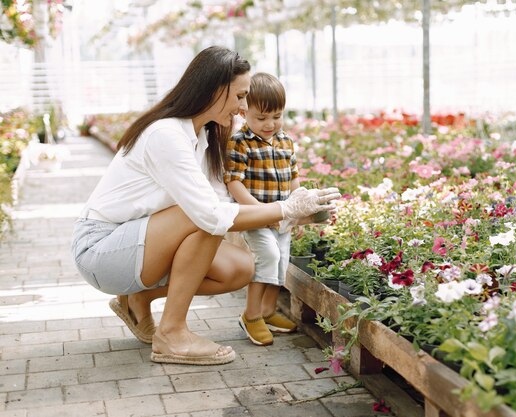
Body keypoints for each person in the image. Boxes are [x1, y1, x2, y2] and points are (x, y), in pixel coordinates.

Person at [70, 46, 340, 366]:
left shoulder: (206, 137)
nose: (243, 108)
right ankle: (171, 334)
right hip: (101, 251)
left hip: (139, 245)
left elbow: (224, 207)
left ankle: (138, 300)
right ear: (214, 90)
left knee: (239, 268)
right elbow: (212, 216)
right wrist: (287, 208)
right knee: (204, 216)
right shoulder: (165, 134)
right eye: (240, 96)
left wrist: (298, 217)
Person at [224, 72, 302, 346]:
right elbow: (234, 183)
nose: (270, 124)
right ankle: (252, 315)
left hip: (283, 218)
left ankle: (268, 310)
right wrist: (259, 211)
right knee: (266, 256)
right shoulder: (240, 142)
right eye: (261, 118)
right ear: (245, 112)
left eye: (277, 116)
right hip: (255, 216)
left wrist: (298, 212)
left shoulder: (286, 142)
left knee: (281, 259)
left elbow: (294, 179)